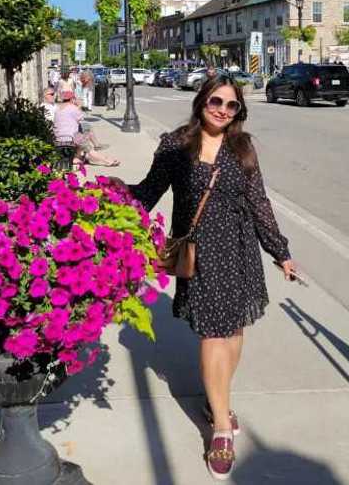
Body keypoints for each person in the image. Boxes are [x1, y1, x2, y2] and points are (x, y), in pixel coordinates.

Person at [109, 75, 298, 480]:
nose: (222, 111)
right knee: (214, 333)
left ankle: (216, 402)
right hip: (201, 253)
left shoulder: (242, 148)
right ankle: (221, 430)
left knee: (234, 332)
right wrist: (113, 194)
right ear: (201, 102)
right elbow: (149, 191)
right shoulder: (177, 145)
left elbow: (259, 202)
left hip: (241, 249)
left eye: (232, 106)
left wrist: (280, 252)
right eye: (216, 101)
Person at [54, 91, 119, 166]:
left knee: (83, 132)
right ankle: (106, 161)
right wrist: (79, 106)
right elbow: (80, 119)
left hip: (58, 138)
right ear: (72, 99)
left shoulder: (58, 109)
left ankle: (78, 157)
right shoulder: (73, 108)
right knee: (87, 146)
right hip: (71, 137)